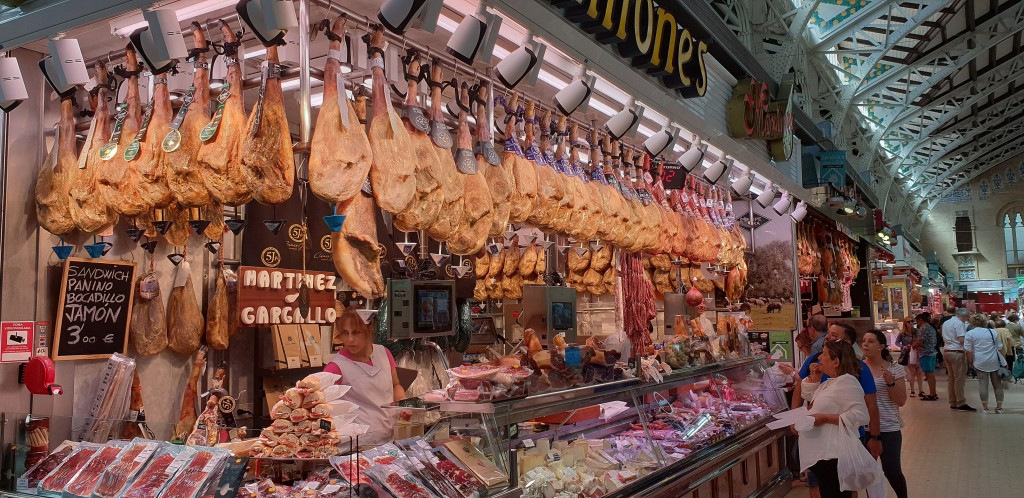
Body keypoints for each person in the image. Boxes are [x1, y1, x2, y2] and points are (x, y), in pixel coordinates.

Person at [793, 322, 883, 459]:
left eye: (833, 335)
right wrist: (795, 417)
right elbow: (804, 391)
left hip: (843, 439)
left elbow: (869, 406)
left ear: (845, 343)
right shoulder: (818, 364)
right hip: (817, 436)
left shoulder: (855, 373)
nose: (827, 337)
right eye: (828, 333)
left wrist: (875, 437)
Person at [796, 341, 870, 498]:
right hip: (823, 457)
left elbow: (861, 415)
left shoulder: (848, 382)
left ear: (836, 361)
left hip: (835, 457)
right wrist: (815, 377)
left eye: (824, 354)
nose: (819, 358)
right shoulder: (830, 382)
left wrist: (824, 418)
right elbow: (809, 396)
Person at [324, 306, 407, 443]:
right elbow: (321, 407)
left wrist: (403, 404)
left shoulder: (384, 353)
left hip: (389, 437)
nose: (350, 339)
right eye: (345, 333)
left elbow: (396, 385)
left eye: (356, 332)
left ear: (369, 330)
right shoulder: (335, 367)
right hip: (357, 445)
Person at [860, 330, 908, 498]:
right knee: (868, 472)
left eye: (871, 341)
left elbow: (901, 400)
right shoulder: (857, 369)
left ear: (881, 346)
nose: (865, 344)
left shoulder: (895, 370)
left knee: (892, 471)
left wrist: (890, 383)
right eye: (864, 340)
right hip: (864, 427)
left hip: (889, 427)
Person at [964, 314, 1006, 413]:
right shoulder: (992, 332)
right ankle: (999, 407)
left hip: (979, 361)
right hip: (993, 361)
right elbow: (999, 347)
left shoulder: (970, 334)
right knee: (997, 384)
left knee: (983, 384)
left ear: (973, 322)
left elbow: (968, 350)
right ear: (985, 322)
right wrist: (1004, 360)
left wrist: (970, 362)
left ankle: (985, 407)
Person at [941, 308, 974, 411]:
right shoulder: (959, 323)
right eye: (967, 317)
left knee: (951, 379)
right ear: (963, 316)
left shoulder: (946, 322)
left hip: (947, 351)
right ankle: (960, 402)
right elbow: (961, 340)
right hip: (957, 352)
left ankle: (953, 402)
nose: (966, 320)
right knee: (959, 379)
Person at [914, 313, 939, 400]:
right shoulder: (930, 327)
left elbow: (920, 342)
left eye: (917, 321)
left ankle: (932, 394)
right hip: (932, 352)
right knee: (931, 374)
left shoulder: (923, 328)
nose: (917, 323)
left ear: (920, 320)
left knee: (928, 374)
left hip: (925, 353)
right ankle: (933, 392)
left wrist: (913, 346)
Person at [896, 318, 923, 397]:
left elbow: (921, 340)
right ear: (905, 323)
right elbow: (897, 342)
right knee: (912, 372)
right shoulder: (902, 333)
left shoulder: (917, 331)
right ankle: (912, 390)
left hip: (917, 352)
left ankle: (921, 390)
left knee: (919, 372)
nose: (911, 323)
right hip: (908, 354)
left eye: (912, 321)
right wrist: (903, 347)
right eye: (908, 322)